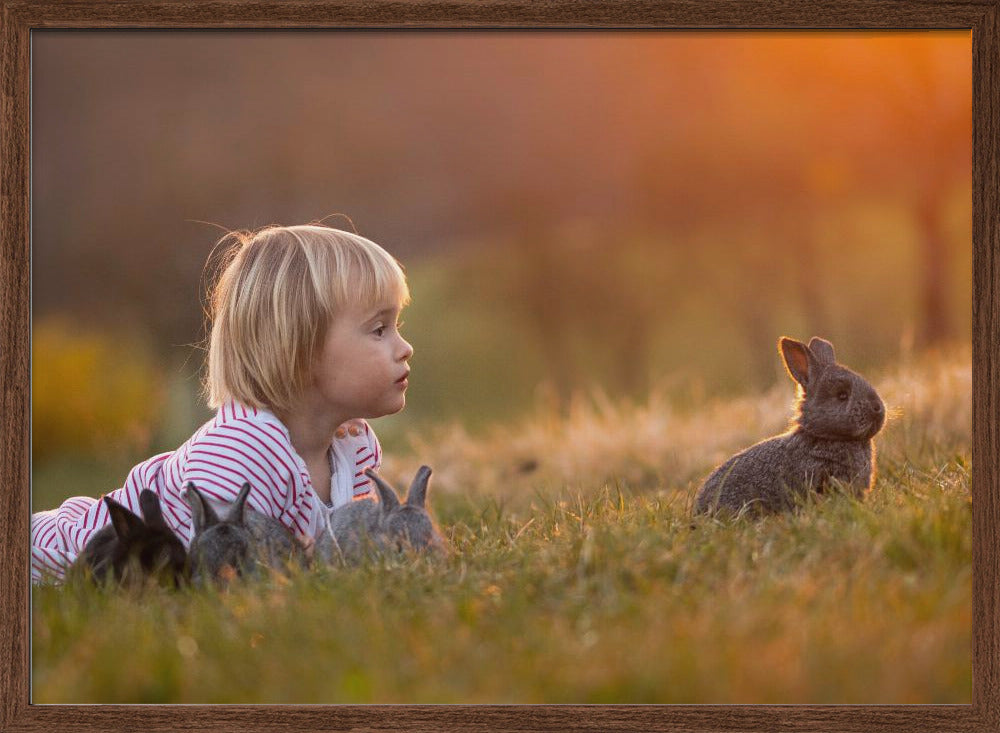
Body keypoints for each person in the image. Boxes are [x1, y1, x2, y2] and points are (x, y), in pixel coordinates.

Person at [31, 223, 413, 583]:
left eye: (397, 326)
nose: (405, 348)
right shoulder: (239, 452)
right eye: (379, 329)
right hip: (49, 553)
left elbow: (345, 554)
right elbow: (206, 571)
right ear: (298, 348)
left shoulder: (355, 446)